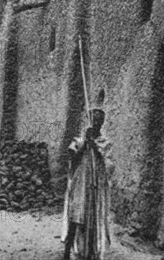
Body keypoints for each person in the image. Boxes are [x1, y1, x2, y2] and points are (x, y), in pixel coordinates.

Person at [62, 108, 111, 260]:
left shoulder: (105, 143)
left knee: (93, 218)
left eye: (99, 122)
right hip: (80, 184)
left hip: (96, 186)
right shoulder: (78, 141)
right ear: (88, 122)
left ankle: (91, 251)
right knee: (75, 216)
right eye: (93, 121)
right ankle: (67, 251)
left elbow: (109, 165)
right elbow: (72, 160)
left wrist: (95, 147)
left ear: (102, 124)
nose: (96, 124)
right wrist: (84, 145)